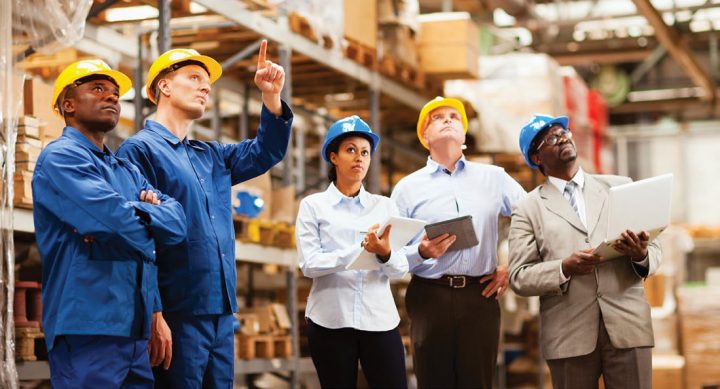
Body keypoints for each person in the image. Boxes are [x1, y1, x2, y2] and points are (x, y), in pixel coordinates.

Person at [116, 42, 292, 387]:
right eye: (194, 77)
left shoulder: (211, 156)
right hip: (177, 310)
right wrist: (153, 312)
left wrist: (271, 98)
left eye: (207, 83)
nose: (205, 87)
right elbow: (138, 239)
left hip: (222, 312)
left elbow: (266, 152)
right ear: (164, 86)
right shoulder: (139, 151)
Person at [32, 59, 187, 388]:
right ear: (68, 104)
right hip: (88, 327)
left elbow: (176, 225)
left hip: (134, 330)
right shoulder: (61, 158)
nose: (112, 98)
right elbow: (115, 224)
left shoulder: (126, 170)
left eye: (116, 93)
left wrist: (155, 312)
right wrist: (141, 219)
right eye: (98, 89)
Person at [508, 114, 662, 389]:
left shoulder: (619, 186)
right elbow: (519, 276)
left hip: (627, 326)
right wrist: (563, 268)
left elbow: (655, 247)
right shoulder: (528, 209)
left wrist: (640, 254)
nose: (563, 138)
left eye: (564, 132)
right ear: (537, 156)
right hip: (569, 336)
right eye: (551, 138)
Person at [391, 96, 526, 388]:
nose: (448, 120)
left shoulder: (495, 178)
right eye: (438, 118)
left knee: (477, 382)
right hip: (429, 297)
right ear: (425, 136)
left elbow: (534, 219)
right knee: (433, 381)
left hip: (480, 296)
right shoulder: (407, 189)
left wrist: (512, 265)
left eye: (454, 116)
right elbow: (390, 254)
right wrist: (420, 252)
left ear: (463, 136)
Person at [295, 116, 408, 388]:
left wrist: (384, 253)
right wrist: (359, 250)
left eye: (365, 152)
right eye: (351, 150)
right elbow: (309, 264)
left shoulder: (385, 207)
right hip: (330, 321)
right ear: (333, 157)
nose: (359, 157)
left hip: (379, 320)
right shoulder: (313, 206)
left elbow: (400, 268)